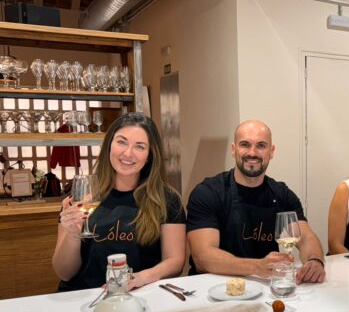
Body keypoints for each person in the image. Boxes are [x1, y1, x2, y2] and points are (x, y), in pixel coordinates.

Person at [53, 112, 187, 291]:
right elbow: (64, 273)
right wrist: (72, 233)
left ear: (149, 155)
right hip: (83, 298)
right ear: (109, 145)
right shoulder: (83, 196)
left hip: (138, 297)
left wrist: (139, 278)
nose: (128, 153)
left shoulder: (166, 200)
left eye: (140, 147)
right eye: (121, 142)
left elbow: (175, 261)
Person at [186, 119, 325, 283]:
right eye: (245, 144)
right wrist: (256, 267)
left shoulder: (282, 195)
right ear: (233, 149)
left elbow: (306, 237)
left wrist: (314, 261)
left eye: (261, 145)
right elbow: (203, 257)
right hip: (213, 289)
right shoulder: (208, 192)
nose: (252, 153)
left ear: (271, 151)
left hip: (264, 287)